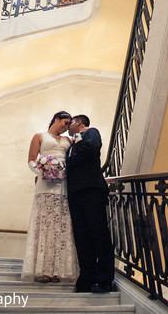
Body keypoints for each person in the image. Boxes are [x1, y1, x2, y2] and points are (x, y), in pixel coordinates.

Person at [21, 111, 79, 283]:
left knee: (60, 227)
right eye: (65, 122)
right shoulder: (40, 136)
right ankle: (42, 270)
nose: (66, 127)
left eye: (69, 124)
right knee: (45, 225)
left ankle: (58, 270)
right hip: (45, 185)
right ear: (56, 119)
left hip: (64, 185)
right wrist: (43, 171)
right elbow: (31, 160)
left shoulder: (69, 141)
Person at [66, 115, 115, 293]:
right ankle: (86, 278)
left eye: (70, 122)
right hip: (75, 193)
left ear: (79, 122)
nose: (67, 126)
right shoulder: (70, 146)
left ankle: (104, 279)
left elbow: (90, 150)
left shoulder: (91, 133)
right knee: (82, 238)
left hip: (92, 190)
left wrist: (65, 163)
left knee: (99, 234)